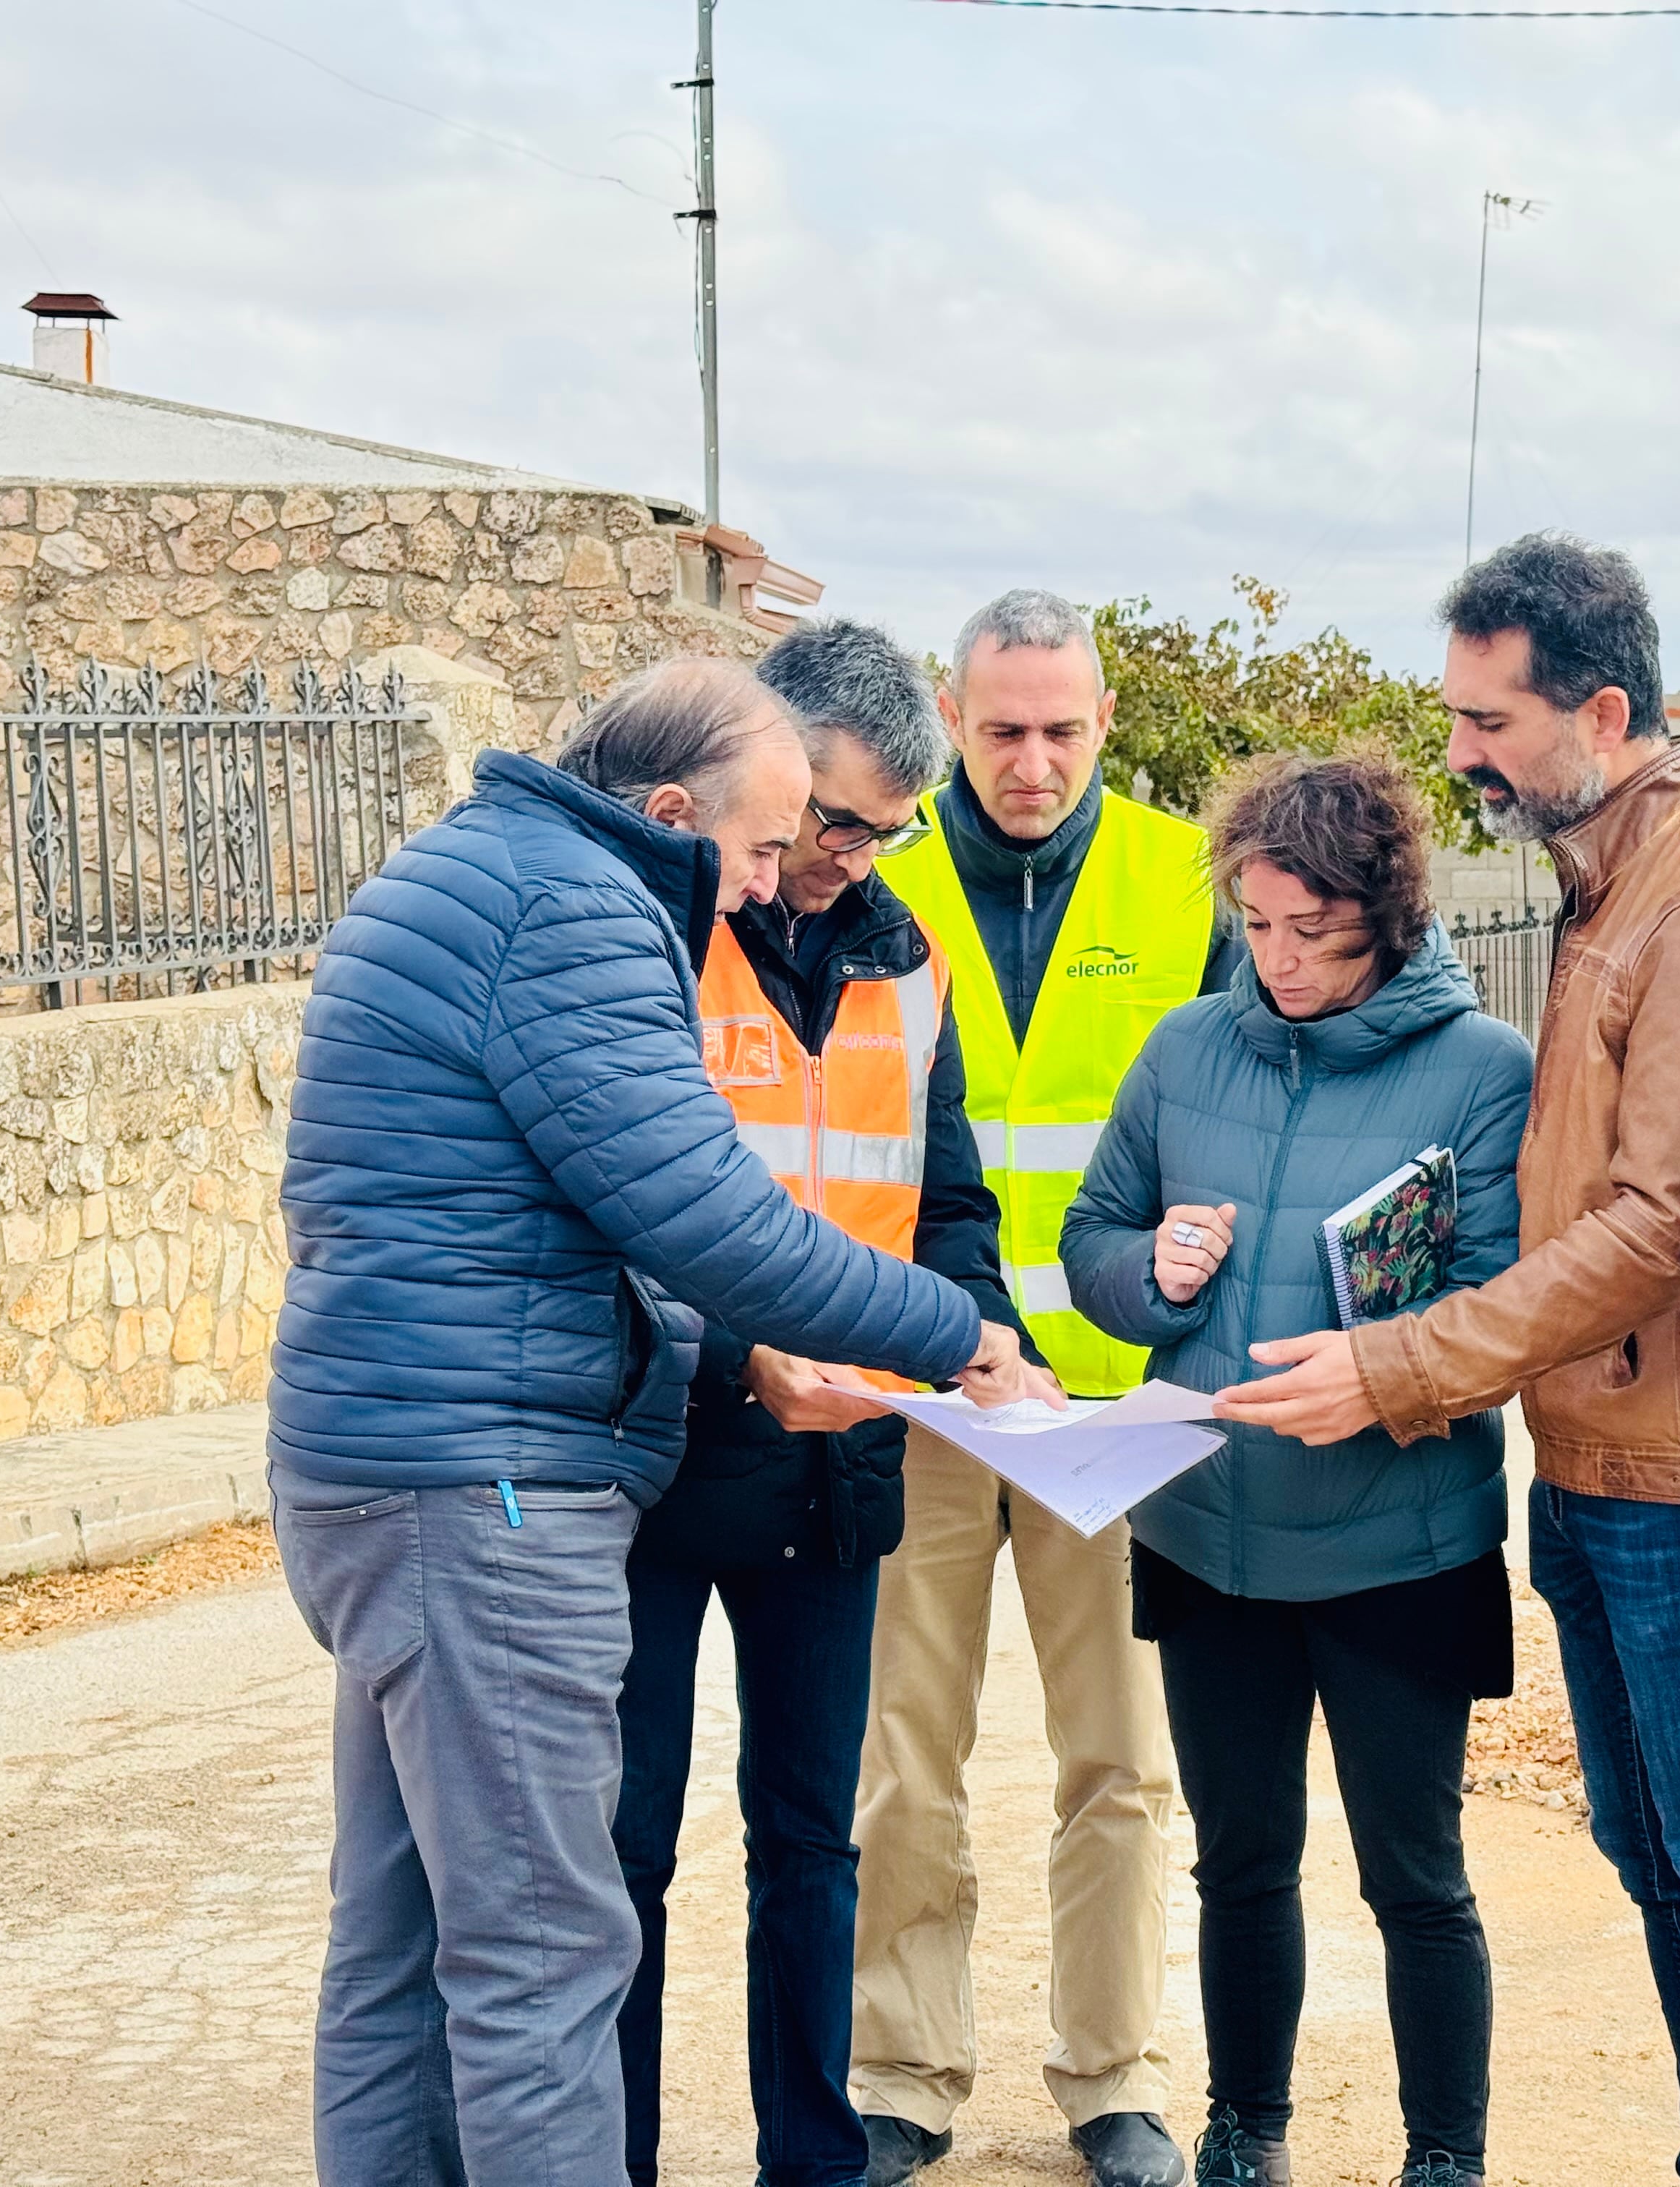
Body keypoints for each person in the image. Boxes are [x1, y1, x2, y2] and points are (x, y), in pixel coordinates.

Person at [268, 657, 1032, 2187]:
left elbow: (570, 1213)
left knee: (407, 1936)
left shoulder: (468, 869)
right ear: (673, 811)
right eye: (761, 846)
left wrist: (729, 1356)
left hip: (389, 1460)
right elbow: (705, 1216)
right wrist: (959, 1339)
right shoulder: (577, 911)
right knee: (544, 1956)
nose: (764, 889)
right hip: (487, 1487)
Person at [1219, 534, 1680, 2186]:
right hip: (1606, 1464)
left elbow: (1663, 1232)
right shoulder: (1614, 877)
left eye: (1488, 721)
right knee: (1661, 1859)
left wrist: (1399, 1366)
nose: (1460, 753)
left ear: (1604, 709)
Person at [611, 624, 1055, 2187]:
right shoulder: (659, 927)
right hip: (661, 1457)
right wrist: (740, 1353)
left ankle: (816, 2161)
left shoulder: (908, 956)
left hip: (838, 1471)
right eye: (831, 818)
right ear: (768, 769)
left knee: (813, 1844)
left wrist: (987, 1339)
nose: (845, 854)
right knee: (627, 1855)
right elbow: (616, 1204)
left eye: (877, 830)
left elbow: (944, 1202)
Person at [1063, 752, 1532, 2187]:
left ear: (1388, 917)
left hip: (1401, 1547)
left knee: (1417, 1880)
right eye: (1258, 927)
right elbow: (1092, 1241)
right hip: (1210, 1541)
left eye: (1316, 935)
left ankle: (1444, 2155)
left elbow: (1510, 1301)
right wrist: (1146, 1271)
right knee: (1240, 1863)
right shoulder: (1182, 1048)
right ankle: (1241, 2128)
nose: (1282, 963)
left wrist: (1388, 1374)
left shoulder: (1486, 1073)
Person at [855, 590, 1242, 2187]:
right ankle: (900, 2075)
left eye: (1062, 731)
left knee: (1123, 1762)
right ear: (953, 717)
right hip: (923, 1385)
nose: (1031, 760)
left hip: (1115, 1411)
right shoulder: (875, 868)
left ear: (1104, 723)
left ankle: (1114, 2082)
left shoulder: (1182, 877)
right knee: (902, 1752)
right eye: (1002, 729)